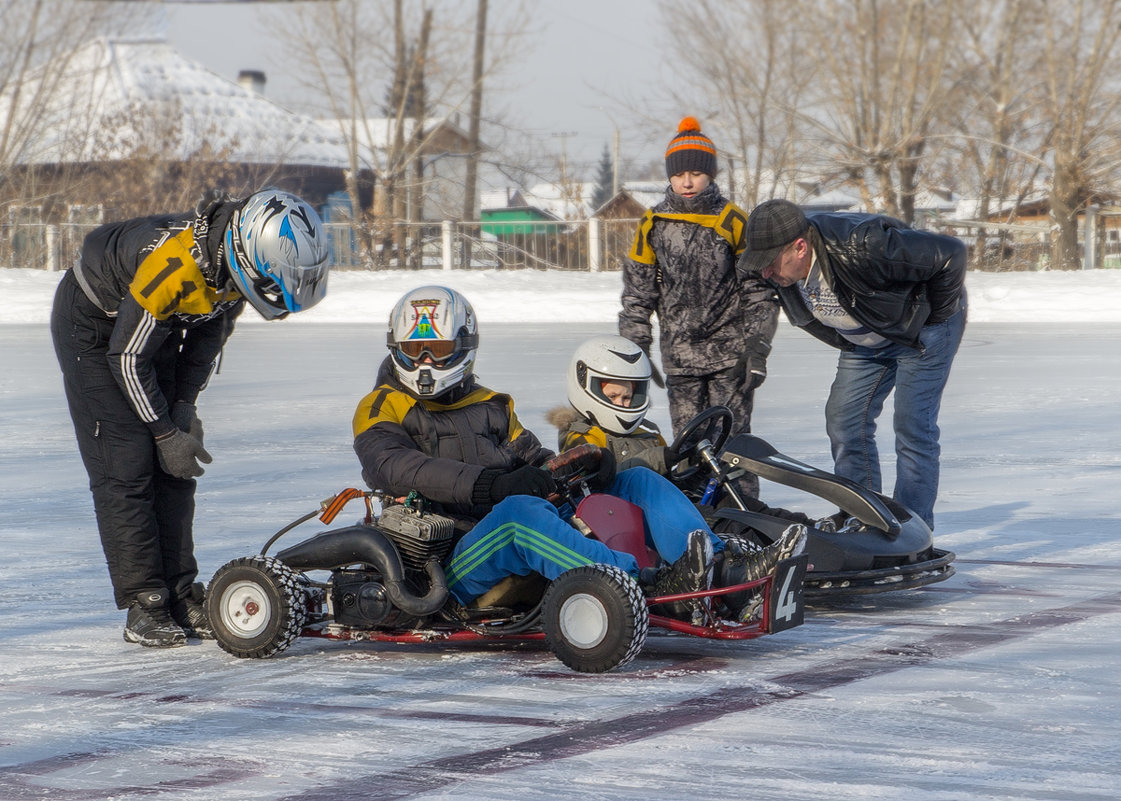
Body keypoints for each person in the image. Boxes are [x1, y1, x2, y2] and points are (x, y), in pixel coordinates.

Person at [352, 287, 805, 625]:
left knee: (636, 480)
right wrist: (489, 485)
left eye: (440, 349)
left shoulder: (492, 405)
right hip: (449, 560)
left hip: (507, 521)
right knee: (519, 512)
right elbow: (392, 466)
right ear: (396, 349)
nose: (427, 361)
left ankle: (725, 570)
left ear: (464, 348)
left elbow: (535, 459)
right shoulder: (382, 405)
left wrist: (587, 464)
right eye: (415, 350)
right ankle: (642, 583)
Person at [51, 188, 332, 648]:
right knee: (126, 464)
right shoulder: (177, 267)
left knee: (175, 470)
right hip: (95, 328)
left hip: (150, 326)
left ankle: (181, 594)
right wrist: (162, 430)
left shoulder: (231, 270)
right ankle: (145, 603)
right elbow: (125, 358)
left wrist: (182, 411)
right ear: (250, 256)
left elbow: (204, 343)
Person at [737, 198, 967, 529]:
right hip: (867, 339)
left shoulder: (863, 244)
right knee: (844, 421)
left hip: (922, 333)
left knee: (912, 425)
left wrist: (933, 319)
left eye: (771, 262)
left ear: (800, 247)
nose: (765, 272)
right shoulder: (780, 273)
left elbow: (951, 254)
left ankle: (914, 529)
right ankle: (865, 520)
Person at [619, 116, 779, 499]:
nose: (687, 182)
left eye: (696, 173)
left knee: (733, 448)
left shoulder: (733, 220)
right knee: (688, 451)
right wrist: (636, 349)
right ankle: (698, 522)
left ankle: (744, 520)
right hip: (680, 359)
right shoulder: (653, 223)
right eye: (679, 175)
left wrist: (757, 348)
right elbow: (638, 293)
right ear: (670, 177)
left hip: (731, 358)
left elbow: (757, 290)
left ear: (710, 175)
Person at [549, 334, 827, 529]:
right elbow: (607, 480)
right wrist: (663, 457)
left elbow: (670, 471)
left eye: (629, 397)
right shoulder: (581, 438)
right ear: (586, 384)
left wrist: (691, 464)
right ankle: (776, 553)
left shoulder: (646, 431)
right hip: (639, 519)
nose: (624, 404)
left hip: (673, 502)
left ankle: (812, 529)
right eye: (615, 397)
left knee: (743, 504)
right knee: (728, 520)